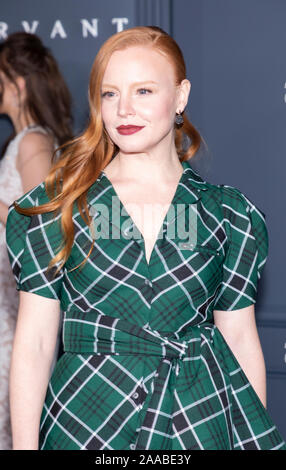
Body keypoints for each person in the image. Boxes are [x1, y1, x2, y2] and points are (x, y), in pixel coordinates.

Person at [5, 26, 286, 450]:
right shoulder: (59, 207)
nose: (124, 111)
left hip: (198, 419)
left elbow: (240, 340)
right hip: (87, 421)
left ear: (181, 95)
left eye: (144, 92)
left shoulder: (226, 215)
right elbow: (35, 343)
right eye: (110, 93)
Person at [0, 31, 73, 450]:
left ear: (18, 82)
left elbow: (37, 225)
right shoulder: (28, 139)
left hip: (18, 305)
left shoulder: (33, 141)